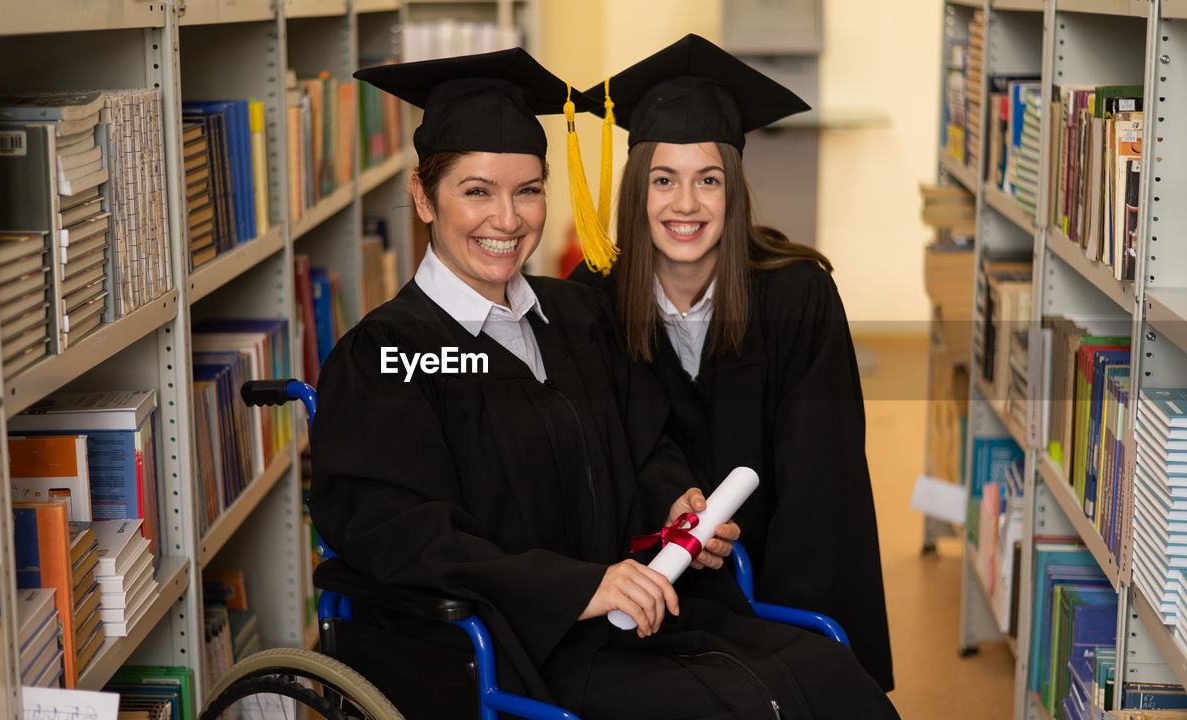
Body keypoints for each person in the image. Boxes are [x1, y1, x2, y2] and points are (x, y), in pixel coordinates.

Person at [309, 47, 900, 719]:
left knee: (828, 678)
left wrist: (674, 503)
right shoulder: (389, 354)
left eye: (528, 190)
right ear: (422, 195)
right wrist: (578, 589)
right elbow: (403, 531)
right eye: (477, 191)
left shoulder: (575, 316)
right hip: (526, 649)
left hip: (642, 621)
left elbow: (644, 443)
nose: (507, 219)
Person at [568, 34, 895, 692]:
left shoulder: (798, 297)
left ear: (734, 191)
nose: (685, 205)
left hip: (772, 593)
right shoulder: (591, 299)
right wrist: (665, 506)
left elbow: (821, 495)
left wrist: (792, 634)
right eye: (664, 180)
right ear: (637, 190)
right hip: (645, 595)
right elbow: (595, 458)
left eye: (708, 180)